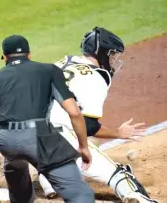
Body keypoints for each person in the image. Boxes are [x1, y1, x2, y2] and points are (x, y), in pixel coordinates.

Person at [0, 34, 95, 203]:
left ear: (4, 57)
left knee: (16, 168)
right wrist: (83, 146)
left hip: (7, 142)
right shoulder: (49, 71)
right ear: (29, 54)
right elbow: (74, 113)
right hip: (38, 138)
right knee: (81, 195)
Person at [38, 27, 158, 203]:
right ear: (102, 52)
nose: (114, 61)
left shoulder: (64, 61)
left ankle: (49, 178)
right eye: (112, 55)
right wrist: (118, 133)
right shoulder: (96, 76)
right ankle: (136, 197)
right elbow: (88, 125)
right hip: (61, 137)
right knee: (119, 173)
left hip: (31, 136)